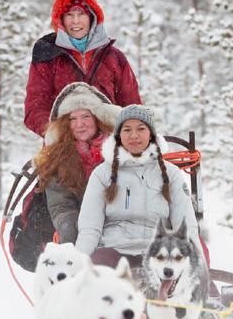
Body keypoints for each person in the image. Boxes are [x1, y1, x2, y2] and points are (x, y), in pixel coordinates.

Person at [75, 105, 201, 268]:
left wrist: (197, 266)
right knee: (95, 276)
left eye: (141, 129)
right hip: (113, 249)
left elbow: (185, 226)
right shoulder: (102, 174)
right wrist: (78, 264)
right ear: (119, 135)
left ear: (151, 134)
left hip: (159, 252)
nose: (134, 135)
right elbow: (90, 228)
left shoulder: (171, 174)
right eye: (127, 130)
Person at [24, 0, 141, 137]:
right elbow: (35, 106)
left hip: (110, 144)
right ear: (61, 20)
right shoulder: (48, 56)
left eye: (81, 14)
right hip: (64, 146)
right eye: (69, 15)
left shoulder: (113, 57)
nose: (76, 21)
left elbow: (131, 105)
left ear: (92, 17)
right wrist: (57, 132)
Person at [33, 83, 120, 244]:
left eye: (86, 116)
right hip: (82, 231)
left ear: (98, 118)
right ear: (65, 125)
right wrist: (68, 225)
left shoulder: (122, 150)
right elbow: (60, 205)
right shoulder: (58, 159)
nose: (80, 124)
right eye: (72, 119)